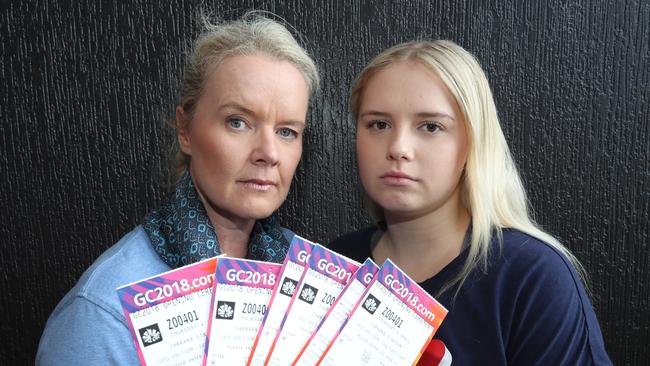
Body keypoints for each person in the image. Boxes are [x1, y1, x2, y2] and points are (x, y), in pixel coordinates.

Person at [36, 12, 319, 365]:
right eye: (238, 122)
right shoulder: (104, 313)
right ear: (185, 130)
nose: (269, 153)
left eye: (287, 131)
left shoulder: (312, 282)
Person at [328, 40, 612, 365]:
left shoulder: (531, 276)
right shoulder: (334, 265)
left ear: (473, 142)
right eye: (378, 124)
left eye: (431, 126)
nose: (399, 147)